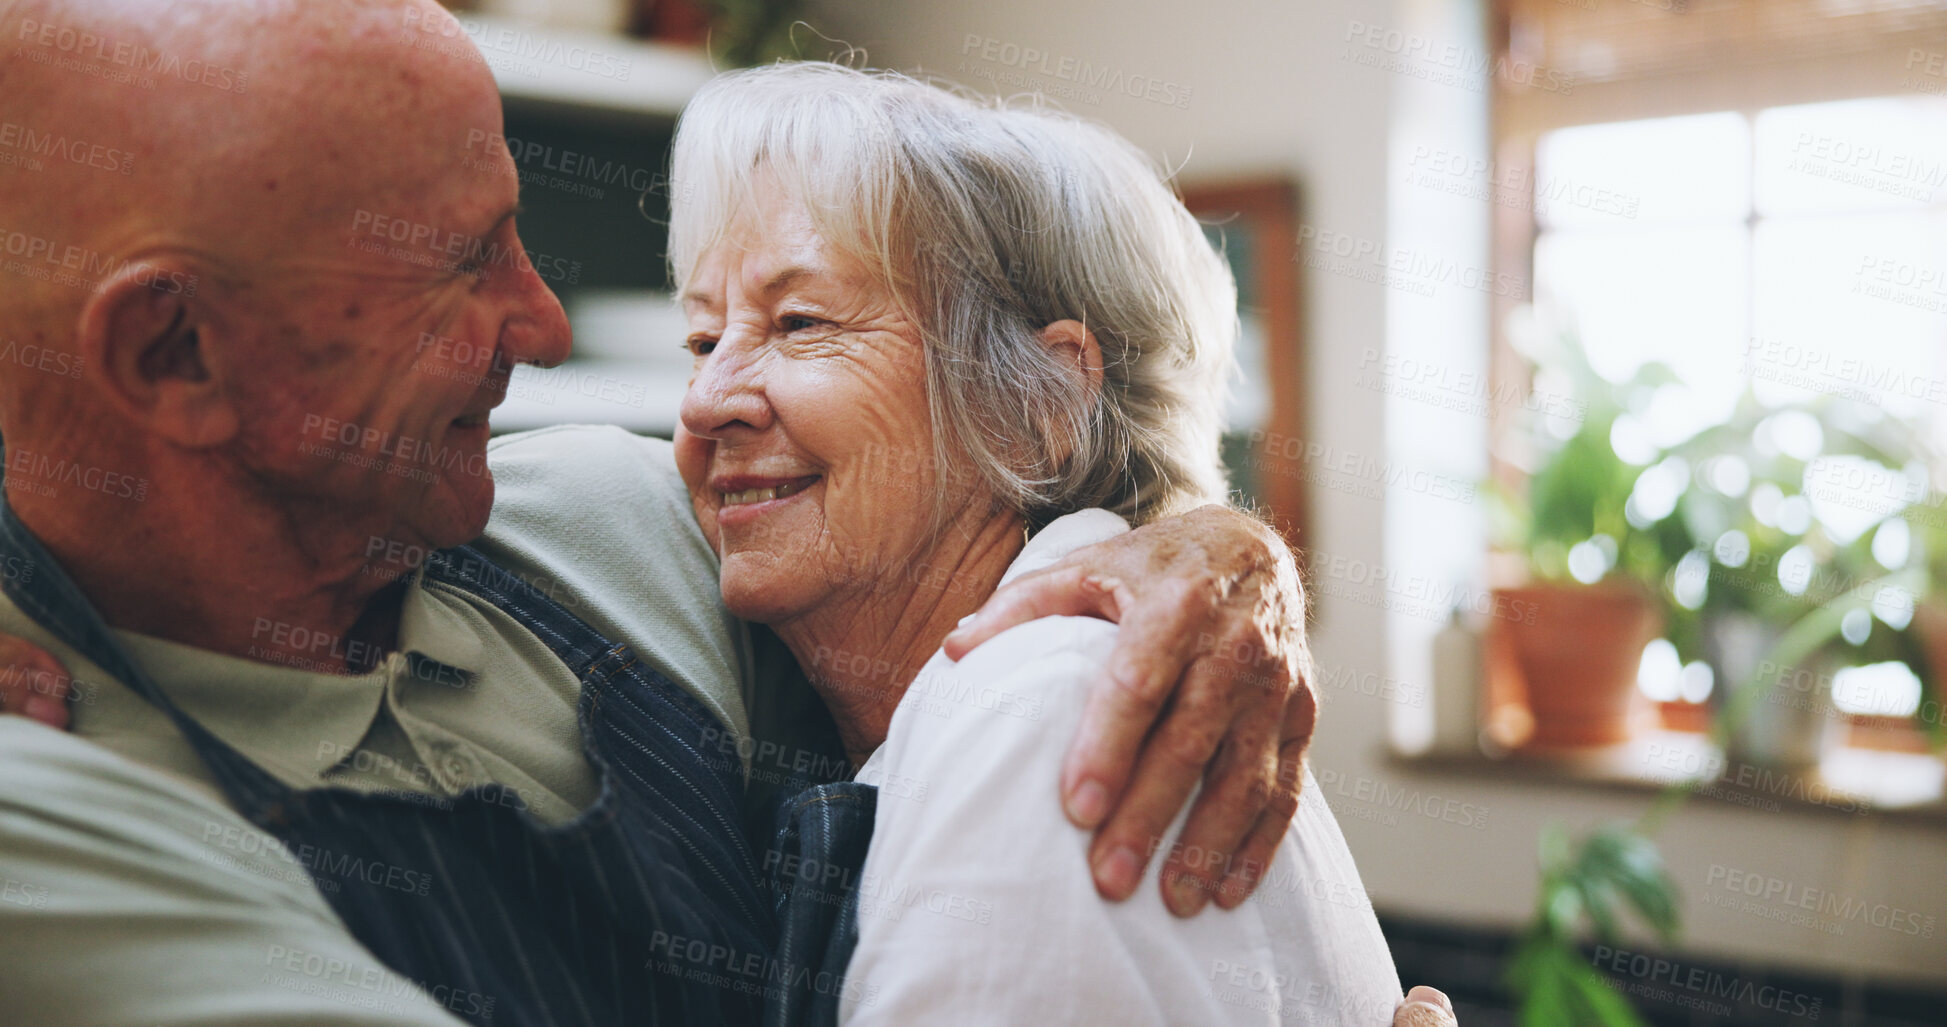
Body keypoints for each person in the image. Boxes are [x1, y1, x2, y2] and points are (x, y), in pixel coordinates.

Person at [0, 0, 1415, 1023]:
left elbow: (1017, 541)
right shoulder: (42, 815)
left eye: (794, 321)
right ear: (172, 355)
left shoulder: (617, 526)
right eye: (460, 262)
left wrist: (1202, 541)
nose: (543, 327)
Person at [663, 63, 1434, 1024]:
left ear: (1038, 403)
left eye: (798, 321)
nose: (702, 402)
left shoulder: (1049, 714)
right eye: (701, 341)